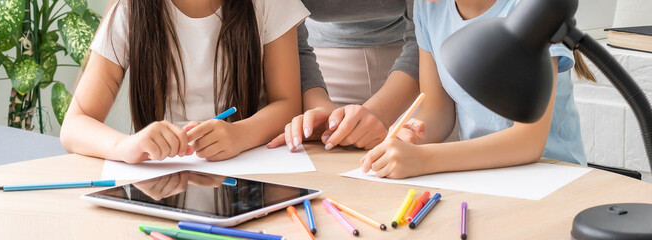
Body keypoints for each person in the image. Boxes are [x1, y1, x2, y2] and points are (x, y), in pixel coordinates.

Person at [360, 0, 596, 179]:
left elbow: (529, 143)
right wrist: (412, 135)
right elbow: (437, 111)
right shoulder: (428, 5)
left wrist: (424, 159)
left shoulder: (533, 9)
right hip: (481, 176)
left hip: (551, 177)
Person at [60, 0, 308, 163]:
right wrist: (125, 146)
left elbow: (288, 103)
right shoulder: (130, 7)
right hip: (162, 177)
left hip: (250, 167)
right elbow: (75, 125)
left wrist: (239, 135)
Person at [267, 0, 425, 152]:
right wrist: (320, 109)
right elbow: (290, 35)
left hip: (418, 68)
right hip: (315, 70)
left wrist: (380, 112)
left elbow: (427, 32)